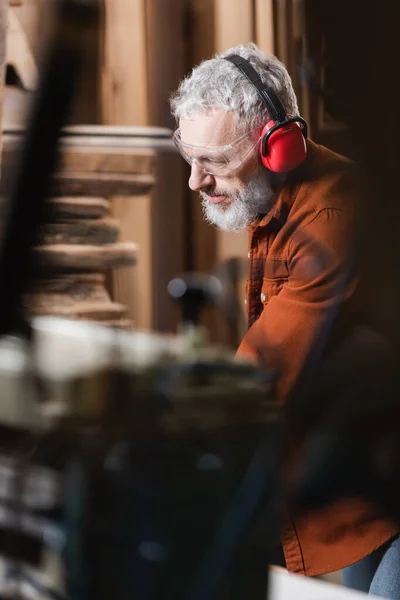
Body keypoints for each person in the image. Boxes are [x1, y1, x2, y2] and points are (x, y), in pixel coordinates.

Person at [170, 42, 400, 596]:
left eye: (215, 163)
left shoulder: (330, 219)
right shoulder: (268, 197)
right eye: (189, 156)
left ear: (279, 148)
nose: (195, 181)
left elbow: (265, 375)